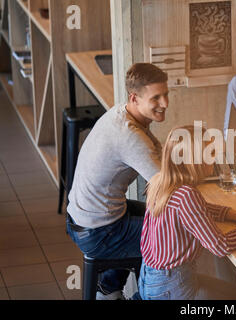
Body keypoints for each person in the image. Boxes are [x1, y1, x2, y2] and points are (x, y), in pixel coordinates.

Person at [66, 63, 169, 300]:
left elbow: (158, 160)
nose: (165, 103)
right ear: (135, 97)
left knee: (155, 218)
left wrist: (162, 176)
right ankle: (143, 297)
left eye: (166, 94)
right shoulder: (130, 137)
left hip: (84, 218)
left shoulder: (123, 113)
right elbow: (168, 186)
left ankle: (107, 290)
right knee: (167, 235)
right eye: (156, 97)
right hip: (98, 231)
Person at [139, 125, 236, 300]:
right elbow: (220, 246)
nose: (214, 158)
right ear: (195, 160)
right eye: (210, 152)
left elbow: (198, 210)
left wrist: (234, 214)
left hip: (151, 279)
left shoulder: (160, 181)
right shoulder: (186, 195)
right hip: (172, 287)